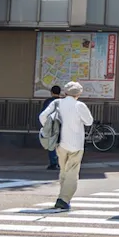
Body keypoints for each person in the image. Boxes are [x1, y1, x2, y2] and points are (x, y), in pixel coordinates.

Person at [38, 81, 93, 210]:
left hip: (60, 142)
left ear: (65, 92)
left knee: (63, 170)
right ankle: (63, 199)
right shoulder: (80, 105)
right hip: (76, 144)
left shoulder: (57, 103)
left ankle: (63, 195)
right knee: (72, 173)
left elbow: (43, 116)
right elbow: (89, 121)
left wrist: (50, 129)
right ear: (78, 93)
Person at [41, 85, 62, 169]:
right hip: (61, 125)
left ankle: (53, 163)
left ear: (51, 92)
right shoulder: (62, 101)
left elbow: (43, 114)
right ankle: (61, 162)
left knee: (51, 144)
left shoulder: (48, 101)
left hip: (51, 125)